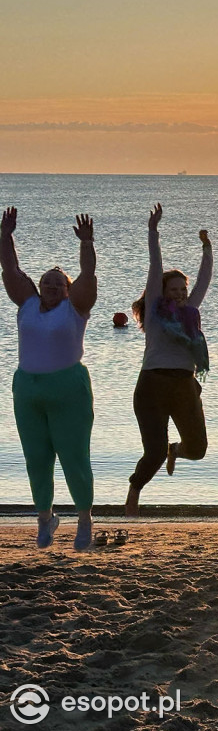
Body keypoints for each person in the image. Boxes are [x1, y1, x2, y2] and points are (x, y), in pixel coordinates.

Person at [1, 206, 97, 550]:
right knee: (36, 459)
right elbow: (9, 268)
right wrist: (6, 236)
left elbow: (88, 275)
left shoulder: (76, 308)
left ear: (68, 290)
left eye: (59, 282)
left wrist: (86, 244)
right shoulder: (26, 304)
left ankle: (84, 521)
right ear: (38, 286)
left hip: (68, 388)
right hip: (27, 389)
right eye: (47, 282)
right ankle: (45, 519)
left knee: (73, 456)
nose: (52, 285)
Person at [125, 204, 212, 516]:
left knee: (198, 450)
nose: (178, 293)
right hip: (152, 385)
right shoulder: (154, 314)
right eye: (172, 289)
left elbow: (204, 281)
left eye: (181, 289)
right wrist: (153, 231)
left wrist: (207, 248)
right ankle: (134, 491)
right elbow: (154, 265)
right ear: (161, 292)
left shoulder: (191, 312)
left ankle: (177, 450)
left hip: (185, 385)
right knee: (153, 453)